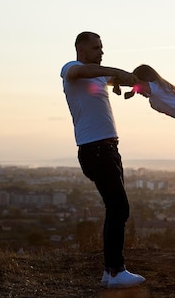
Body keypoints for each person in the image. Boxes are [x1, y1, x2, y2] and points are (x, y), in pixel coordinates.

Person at [60, 31, 146, 288]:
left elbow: (118, 80)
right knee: (119, 208)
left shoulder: (97, 75)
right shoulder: (71, 69)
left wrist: (132, 85)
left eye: (102, 48)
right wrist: (118, 73)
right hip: (95, 149)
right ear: (81, 50)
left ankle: (110, 272)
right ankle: (117, 271)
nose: (101, 52)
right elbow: (83, 73)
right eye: (96, 48)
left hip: (108, 148)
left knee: (116, 208)